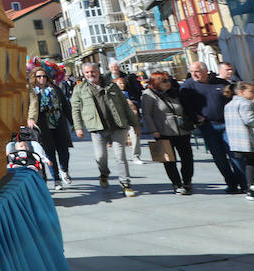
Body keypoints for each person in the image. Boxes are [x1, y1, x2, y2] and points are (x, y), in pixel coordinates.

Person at [72, 62, 138, 195]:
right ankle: (104, 174)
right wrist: (79, 127)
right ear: (84, 74)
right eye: (87, 72)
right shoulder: (79, 89)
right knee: (100, 156)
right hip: (96, 127)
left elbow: (125, 105)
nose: (90, 74)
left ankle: (125, 183)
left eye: (93, 71)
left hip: (117, 125)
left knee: (120, 155)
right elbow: (76, 109)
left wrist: (135, 123)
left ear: (98, 71)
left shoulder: (111, 85)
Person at [180, 62, 244, 194]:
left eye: (197, 71)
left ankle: (244, 183)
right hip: (208, 126)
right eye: (191, 71)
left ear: (205, 71)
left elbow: (233, 99)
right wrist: (195, 116)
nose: (194, 74)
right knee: (219, 156)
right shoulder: (188, 85)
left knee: (235, 154)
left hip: (227, 124)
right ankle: (231, 183)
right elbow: (185, 106)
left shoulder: (220, 82)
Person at [141, 72, 196, 194]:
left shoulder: (174, 92)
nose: (168, 83)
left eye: (168, 80)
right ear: (156, 82)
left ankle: (187, 181)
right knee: (168, 160)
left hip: (182, 131)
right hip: (161, 132)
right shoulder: (148, 94)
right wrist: (153, 130)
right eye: (164, 81)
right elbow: (146, 114)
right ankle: (177, 184)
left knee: (188, 158)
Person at [26, 67, 73, 191]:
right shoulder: (31, 92)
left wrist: (73, 122)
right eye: (39, 76)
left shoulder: (54, 89)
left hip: (58, 123)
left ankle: (64, 170)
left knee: (64, 151)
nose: (42, 79)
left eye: (44, 76)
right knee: (49, 153)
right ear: (34, 78)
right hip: (43, 126)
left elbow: (65, 105)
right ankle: (57, 180)